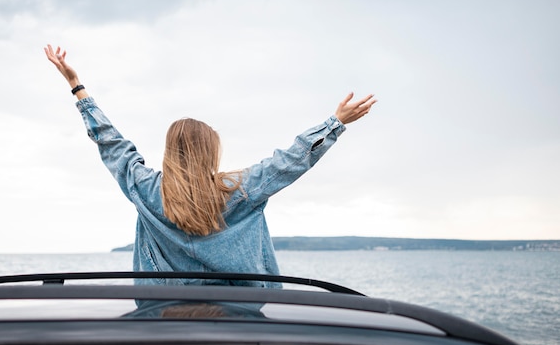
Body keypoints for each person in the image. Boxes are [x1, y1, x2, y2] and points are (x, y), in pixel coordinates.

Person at [44, 44, 377, 290]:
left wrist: (77, 87)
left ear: (170, 151)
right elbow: (289, 160)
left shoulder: (144, 189)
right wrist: (335, 123)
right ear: (211, 152)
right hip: (237, 317)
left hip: (165, 318)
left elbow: (112, 144)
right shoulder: (240, 189)